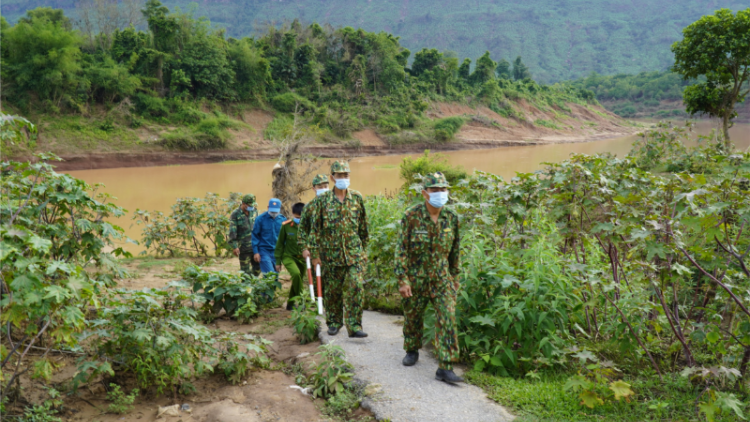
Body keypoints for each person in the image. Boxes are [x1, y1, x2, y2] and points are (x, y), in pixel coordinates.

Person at [395, 171, 463, 384]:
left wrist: (455, 277)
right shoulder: (411, 216)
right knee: (413, 317)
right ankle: (412, 349)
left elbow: (455, 251)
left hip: (442, 279)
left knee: (447, 318)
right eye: (435, 190)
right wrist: (402, 279)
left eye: (443, 189)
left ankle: (445, 366)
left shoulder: (452, 218)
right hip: (416, 279)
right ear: (425, 193)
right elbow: (401, 250)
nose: (440, 193)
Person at [308, 162, 369, 338]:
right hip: (330, 255)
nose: (343, 178)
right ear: (332, 177)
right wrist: (315, 255)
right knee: (332, 291)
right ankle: (334, 322)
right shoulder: (323, 201)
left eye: (346, 175)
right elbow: (315, 230)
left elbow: (363, 227)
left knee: (356, 286)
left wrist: (362, 251)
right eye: (339, 175)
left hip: (353, 254)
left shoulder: (356, 198)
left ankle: (355, 326)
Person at [275, 202, 306, 310]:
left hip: (302, 258)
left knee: (298, 280)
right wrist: (278, 262)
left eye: (301, 217)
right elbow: (279, 244)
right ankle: (302, 300)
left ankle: (290, 304)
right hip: (288, 256)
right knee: (296, 274)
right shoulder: (286, 226)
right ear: (293, 214)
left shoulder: (308, 226)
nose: (299, 219)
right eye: (297, 217)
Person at [298, 173, 329, 261]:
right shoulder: (309, 207)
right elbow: (302, 230)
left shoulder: (336, 204)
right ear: (313, 189)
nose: (323, 189)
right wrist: (304, 248)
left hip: (334, 251)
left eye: (325, 186)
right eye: (320, 187)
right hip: (315, 252)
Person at [228, 194, 260, 277]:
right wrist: (235, 246)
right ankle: (246, 286)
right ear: (243, 203)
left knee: (258, 268)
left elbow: (259, 227)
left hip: (255, 246)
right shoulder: (235, 214)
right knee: (245, 272)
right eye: (249, 205)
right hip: (243, 247)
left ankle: (252, 283)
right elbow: (232, 231)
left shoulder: (254, 211)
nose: (251, 207)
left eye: (252, 205)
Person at [252, 198, 285, 274]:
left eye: (275, 211)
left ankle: (269, 286)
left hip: (277, 252)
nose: (274, 213)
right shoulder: (260, 219)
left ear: (280, 209)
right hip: (264, 251)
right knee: (270, 274)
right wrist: (256, 252)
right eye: (272, 211)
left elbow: (285, 237)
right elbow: (255, 236)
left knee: (275, 276)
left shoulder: (283, 220)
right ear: (267, 207)